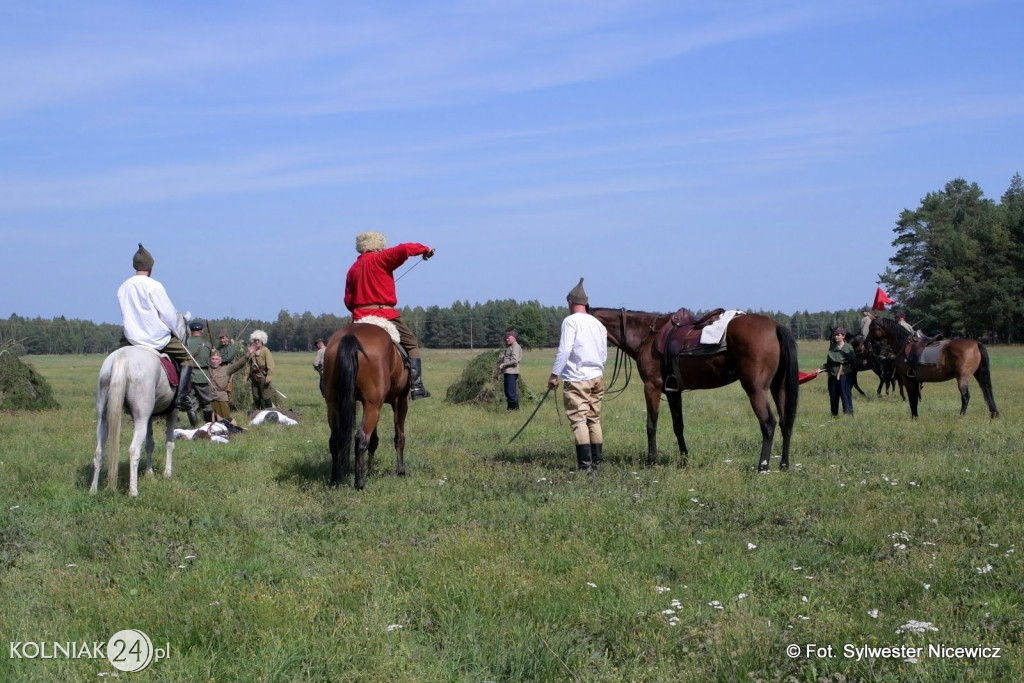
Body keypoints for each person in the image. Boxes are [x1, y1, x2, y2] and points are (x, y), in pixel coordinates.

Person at [344, 231, 435, 399]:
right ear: (379, 245)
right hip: (384, 313)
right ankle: (416, 386)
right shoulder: (382, 258)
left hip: (359, 317)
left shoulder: (352, 269)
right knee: (412, 344)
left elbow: (348, 300)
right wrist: (425, 249)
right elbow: (405, 248)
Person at [116, 243, 195, 411]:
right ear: (151, 267)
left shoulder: (123, 287)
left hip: (131, 338)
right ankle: (181, 398)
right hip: (155, 337)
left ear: (134, 266)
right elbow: (168, 314)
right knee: (187, 358)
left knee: (115, 361)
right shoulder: (154, 286)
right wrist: (175, 331)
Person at [548, 278, 608, 472]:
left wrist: (554, 374)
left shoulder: (570, 322)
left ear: (571, 302)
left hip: (577, 378)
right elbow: (603, 353)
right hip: (597, 376)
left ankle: (585, 467)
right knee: (594, 419)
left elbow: (565, 350)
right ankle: (596, 465)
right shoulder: (597, 324)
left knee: (578, 420)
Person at [820, 326, 858, 417]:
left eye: (838, 335)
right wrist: (821, 368)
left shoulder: (848, 347)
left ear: (843, 336)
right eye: (835, 335)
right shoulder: (832, 348)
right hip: (832, 374)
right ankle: (834, 415)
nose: (836, 337)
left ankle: (848, 414)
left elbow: (853, 361)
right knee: (833, 395)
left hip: (844, 374)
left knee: (845, 395)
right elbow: (828, 363)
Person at [208, 347, 253, 421]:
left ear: (220, 361)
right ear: (210, 360)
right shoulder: (206, 370)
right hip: (210, 399)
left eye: (217, 359)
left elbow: (238, 364)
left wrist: (247, 355)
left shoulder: (226, 369)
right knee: (210, 421)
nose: (214, 361)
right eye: (213, 359)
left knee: (226, 420)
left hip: (222, 398)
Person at [183, 321, 214, 426]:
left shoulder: (185, 343)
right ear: (202, 331)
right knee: (206, 404)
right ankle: (208, 426)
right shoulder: (208, 344)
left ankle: (194, 427)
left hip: (188, 377)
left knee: (191, 404)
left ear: (190, 331)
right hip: (203, 376)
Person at [248, 330, 276, 409]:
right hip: (254, 377)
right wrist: (245, 377)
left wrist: (269, 376)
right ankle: (258, 413)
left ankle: (269, 412)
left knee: (266, 396)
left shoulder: (265, 350)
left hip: (263, 377)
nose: (256, 342)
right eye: (255, 340)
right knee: (256, 396)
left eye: (258, 340)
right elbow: (249, 365)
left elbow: (270, 364)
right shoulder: (252, 352)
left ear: (262, 341)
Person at [498, 329, 523, 411]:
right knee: (507, 392)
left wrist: (504, 364)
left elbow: (515, 360)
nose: (507, 339)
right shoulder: (510, 347)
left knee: (511, 393)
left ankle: (515, 410)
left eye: (509, 338)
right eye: (506, 338)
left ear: (514, 338)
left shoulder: (515, 346)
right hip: (507, 372)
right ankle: (510, 409)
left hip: (512, 372)